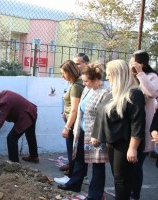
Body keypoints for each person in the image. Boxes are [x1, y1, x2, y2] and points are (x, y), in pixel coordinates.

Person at [91, 60, 145, 200]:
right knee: (117, 177)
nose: (107, 78)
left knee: (122, 180)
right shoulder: (113, 93)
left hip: (125, 143)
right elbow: (100, 114)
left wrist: (133, 148)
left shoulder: (134, 93)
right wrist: (96, 135)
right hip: (112, 142)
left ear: (118, 74)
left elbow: (137, 123)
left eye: (109, 75)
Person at [57, 64, 109, 200]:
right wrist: (75, 128)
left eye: (86, 81)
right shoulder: (87, 89)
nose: (84, 83)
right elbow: (80, 109)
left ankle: (95, 195)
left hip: (95, 134)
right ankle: (74, 184)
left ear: (96, 79)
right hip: (82, 131)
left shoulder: (105, 93)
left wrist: (98, 135)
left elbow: (104, 117)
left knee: (98, 165)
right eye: (84, 80)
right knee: (79, 159)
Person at [129, 50, 158, 200]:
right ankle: (127, 192)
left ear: (142, 63)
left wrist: (141, 74)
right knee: (130, 164)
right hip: (131, 126)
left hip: (145, 126)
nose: (131, 64)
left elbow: (152, 92)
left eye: (133, 62)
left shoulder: (152, 76)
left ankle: (135, 194)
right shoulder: (132, 77)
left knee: (137, 164)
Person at [0, 90, 38, 163]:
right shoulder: (4, 93)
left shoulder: (4, 102)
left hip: (25, 116)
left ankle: (14, 163)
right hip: (31, 111)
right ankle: (34, 157)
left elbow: (1, 120)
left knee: (11, 138)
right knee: (30, 135)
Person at [55, 60, 84, 185]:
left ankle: (71, 178)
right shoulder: (75, 83)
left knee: (72, 151)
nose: (62, 76)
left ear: (70, 72)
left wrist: (67, 127)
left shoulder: (76, 86)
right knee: (73, 151)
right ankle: (72, 177)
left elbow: (74, 109)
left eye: (63, 73)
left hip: (73, 123)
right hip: (72, 121)